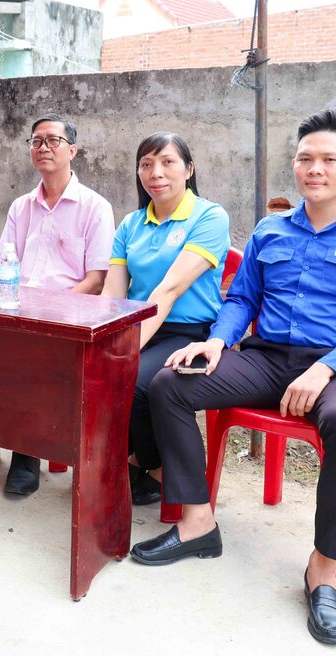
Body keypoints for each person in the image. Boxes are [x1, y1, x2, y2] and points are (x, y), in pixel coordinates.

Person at [134, 109, 336, 646]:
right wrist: (217, 341)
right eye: (306, 158)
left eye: (329, 159)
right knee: (169, 383)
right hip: (265, 358)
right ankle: (197, 523)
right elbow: (242, 298)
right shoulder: (271, 230)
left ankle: (324, 571)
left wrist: (326, 367)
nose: (315, 169)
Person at [0, 114, 115, 495]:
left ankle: (26, 453)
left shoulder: (95, 207)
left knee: (25, 353)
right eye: (36, 141)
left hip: (68, 316)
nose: (43, 147)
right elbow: (7, 266)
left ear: (72, 151)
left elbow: (96, 279)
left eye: (53, 140)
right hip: (19, 309)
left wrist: (48, 313)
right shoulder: (21, 207)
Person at [100, 133, 231, 507]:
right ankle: (126, 456)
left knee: (134, 381)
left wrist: (125, 350)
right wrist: (102, 340)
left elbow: (169, 290)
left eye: (168, 162)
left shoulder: (209, 216)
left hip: (188, 332)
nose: (156, 172)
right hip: (137, 324)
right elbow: (112, 292)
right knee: (97, 373)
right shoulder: (131, 224)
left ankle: (156, 467)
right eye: (146, 164)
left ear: (189, 170)